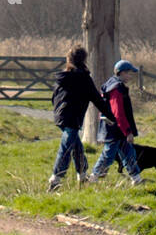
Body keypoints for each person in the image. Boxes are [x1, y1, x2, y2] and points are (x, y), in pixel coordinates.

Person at [48, 44, 112, 191]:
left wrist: (57, 111)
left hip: (60, 116)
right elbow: (97, 99)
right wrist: (111, 116)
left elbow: (54, 96)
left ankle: (82, 175)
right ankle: (55, 179)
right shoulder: (83, 78)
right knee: (66, 148)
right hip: (73, 117)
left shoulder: (63, 77)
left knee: (76, 146)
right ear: (84, 59)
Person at [90, 59, 145, 186]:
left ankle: (136, 179)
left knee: (128, 153)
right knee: (108, 155)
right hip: (114, 129)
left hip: (116, 128)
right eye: (128, 73)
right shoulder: (116, 89)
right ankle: (94, 176)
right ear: (121, 73)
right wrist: (128, 132)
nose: (130, 76)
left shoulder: (113, 85)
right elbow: (118, 113)